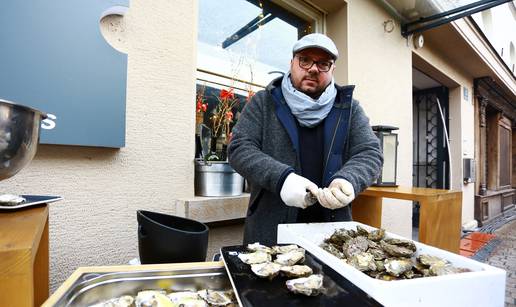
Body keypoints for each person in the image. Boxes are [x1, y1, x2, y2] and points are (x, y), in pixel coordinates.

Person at [228, 33, 383, 245]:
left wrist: (349, 179)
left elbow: (370, 152)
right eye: (305, 60)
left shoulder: (349, 109)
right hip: (270, 230)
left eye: (323, 63)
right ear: (292, 62)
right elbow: (239, 148)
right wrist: (281, 178)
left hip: (333, 235)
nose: (313, 68)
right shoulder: (264, 102)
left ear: (332, 70)